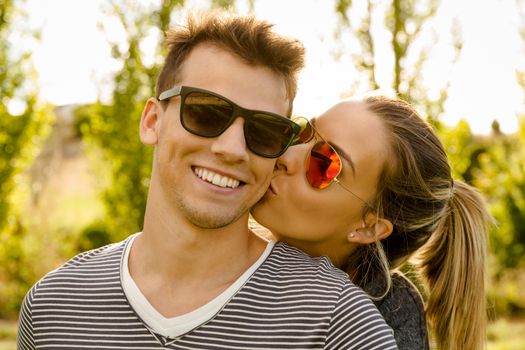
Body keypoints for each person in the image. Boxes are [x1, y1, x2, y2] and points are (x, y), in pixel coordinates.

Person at [17, 12, 398, 350]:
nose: (232, 148)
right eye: (205, 112)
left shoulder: (336, 323)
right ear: (152, 121)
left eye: (264, 131)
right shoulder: (53, 307)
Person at [252, 95, 492, 350]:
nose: (286, 155)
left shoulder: (385, 320)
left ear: (369, 227)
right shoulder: (225, 257)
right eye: (303, 134)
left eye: (324, 164)